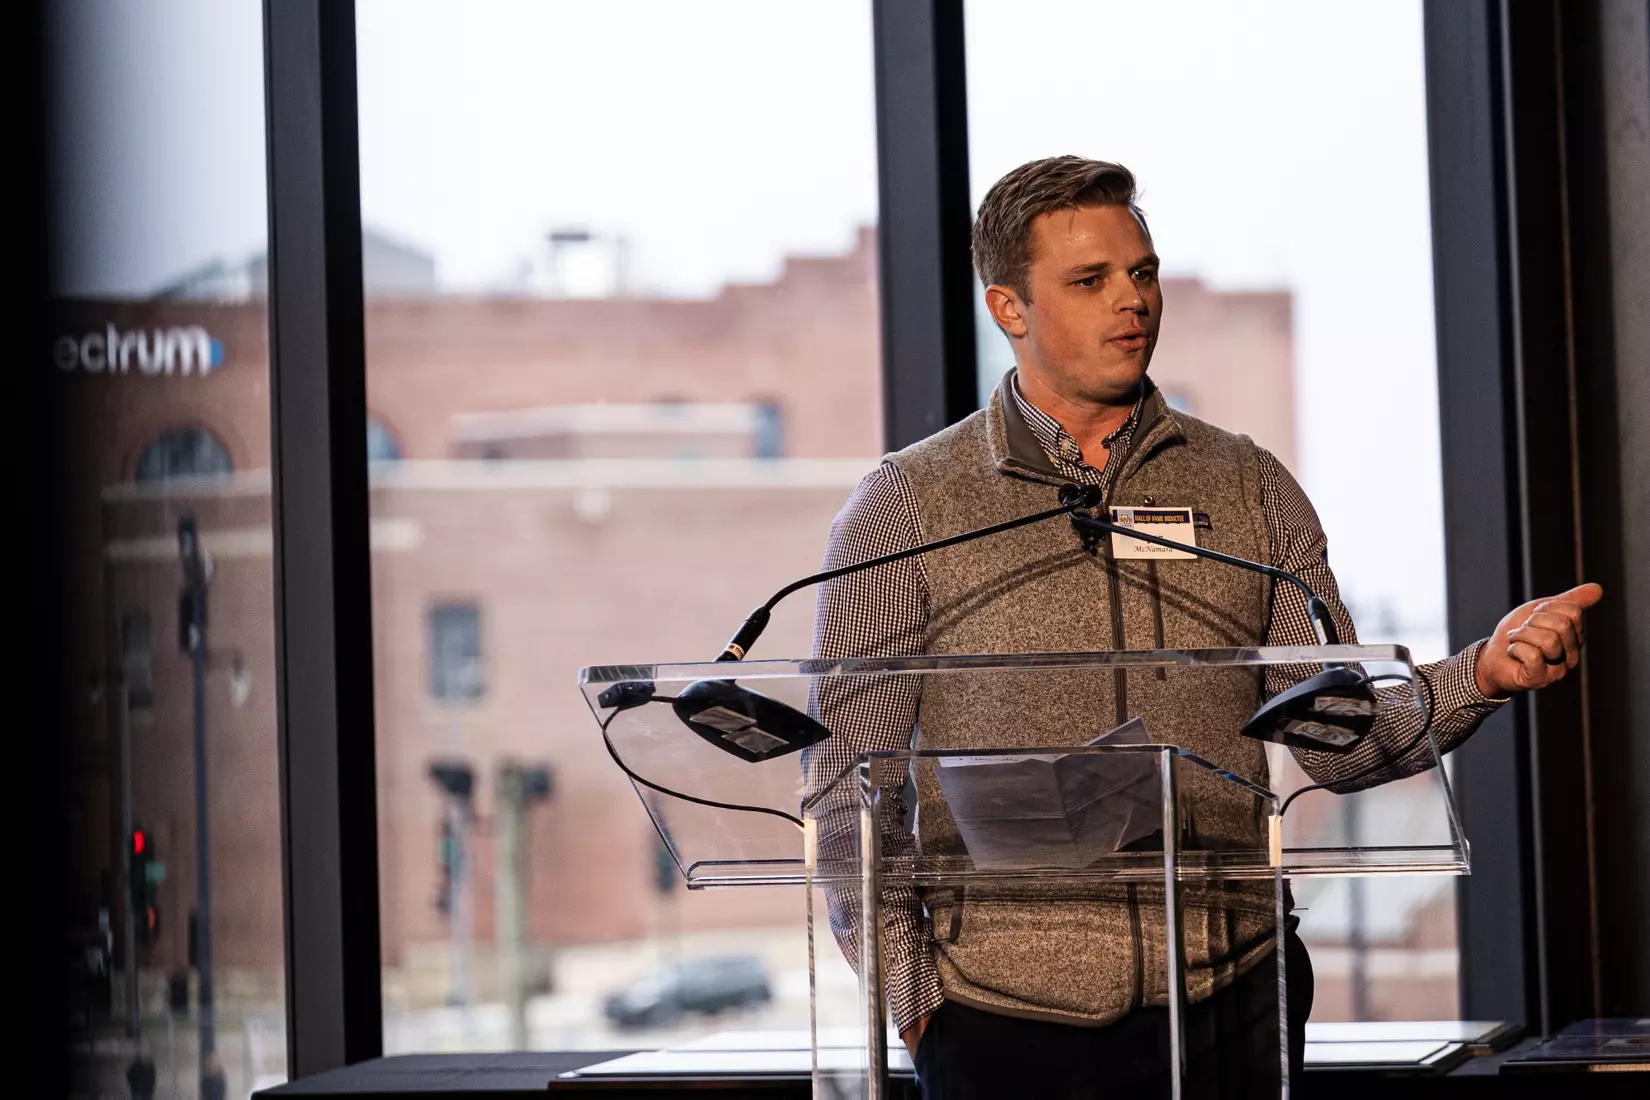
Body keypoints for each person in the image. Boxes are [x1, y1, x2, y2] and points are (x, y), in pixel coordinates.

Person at [804, 156, 1602, 1098]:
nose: (1131, 302)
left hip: (1238, 1001)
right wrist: (916, 1001)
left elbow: (1335, 741)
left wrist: (1485, 674)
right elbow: (846, 793)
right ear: (1008, 308)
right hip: (1002, 1023)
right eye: (1090, 281)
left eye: (1141, 273)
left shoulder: (1247, 486)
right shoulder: (907, 506)